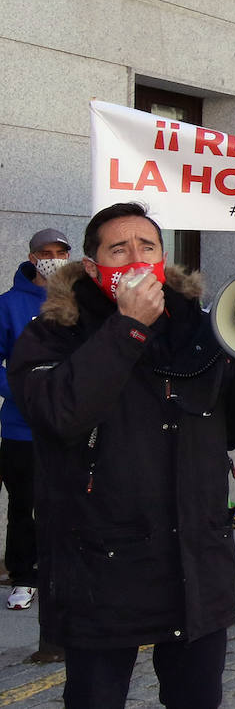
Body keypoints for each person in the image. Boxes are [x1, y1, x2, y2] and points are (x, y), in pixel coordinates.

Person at [9, 202, 235, 708]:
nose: (135, 257)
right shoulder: (53, 334)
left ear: (163, 257)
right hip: (102, 563)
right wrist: (129, 326)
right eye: (119, 248)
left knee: (197, 697)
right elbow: (60, 413)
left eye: (147, 246)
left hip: (194, 559)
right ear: (93, 267)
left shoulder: (203, 329)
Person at [0, 228, 73, 613]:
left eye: (61, 252)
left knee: (67, 502)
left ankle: (62, 573)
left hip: (71, 427)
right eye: (46, 252)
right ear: (32, 258)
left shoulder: (81, 303)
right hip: (21, 428)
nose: (53, 258)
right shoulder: (8, 304)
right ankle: (24, 577)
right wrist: (22, 391)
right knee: (23, 503)